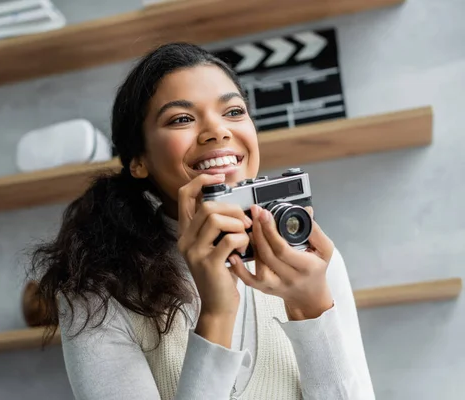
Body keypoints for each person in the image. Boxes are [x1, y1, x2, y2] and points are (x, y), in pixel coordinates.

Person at [29, 42, 376, 400]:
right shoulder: (94, 293)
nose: (217, 131)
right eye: (181, 118)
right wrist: (216, 314)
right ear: (138, 160)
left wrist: (311, 308)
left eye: (234, 111)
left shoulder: (311, 260)